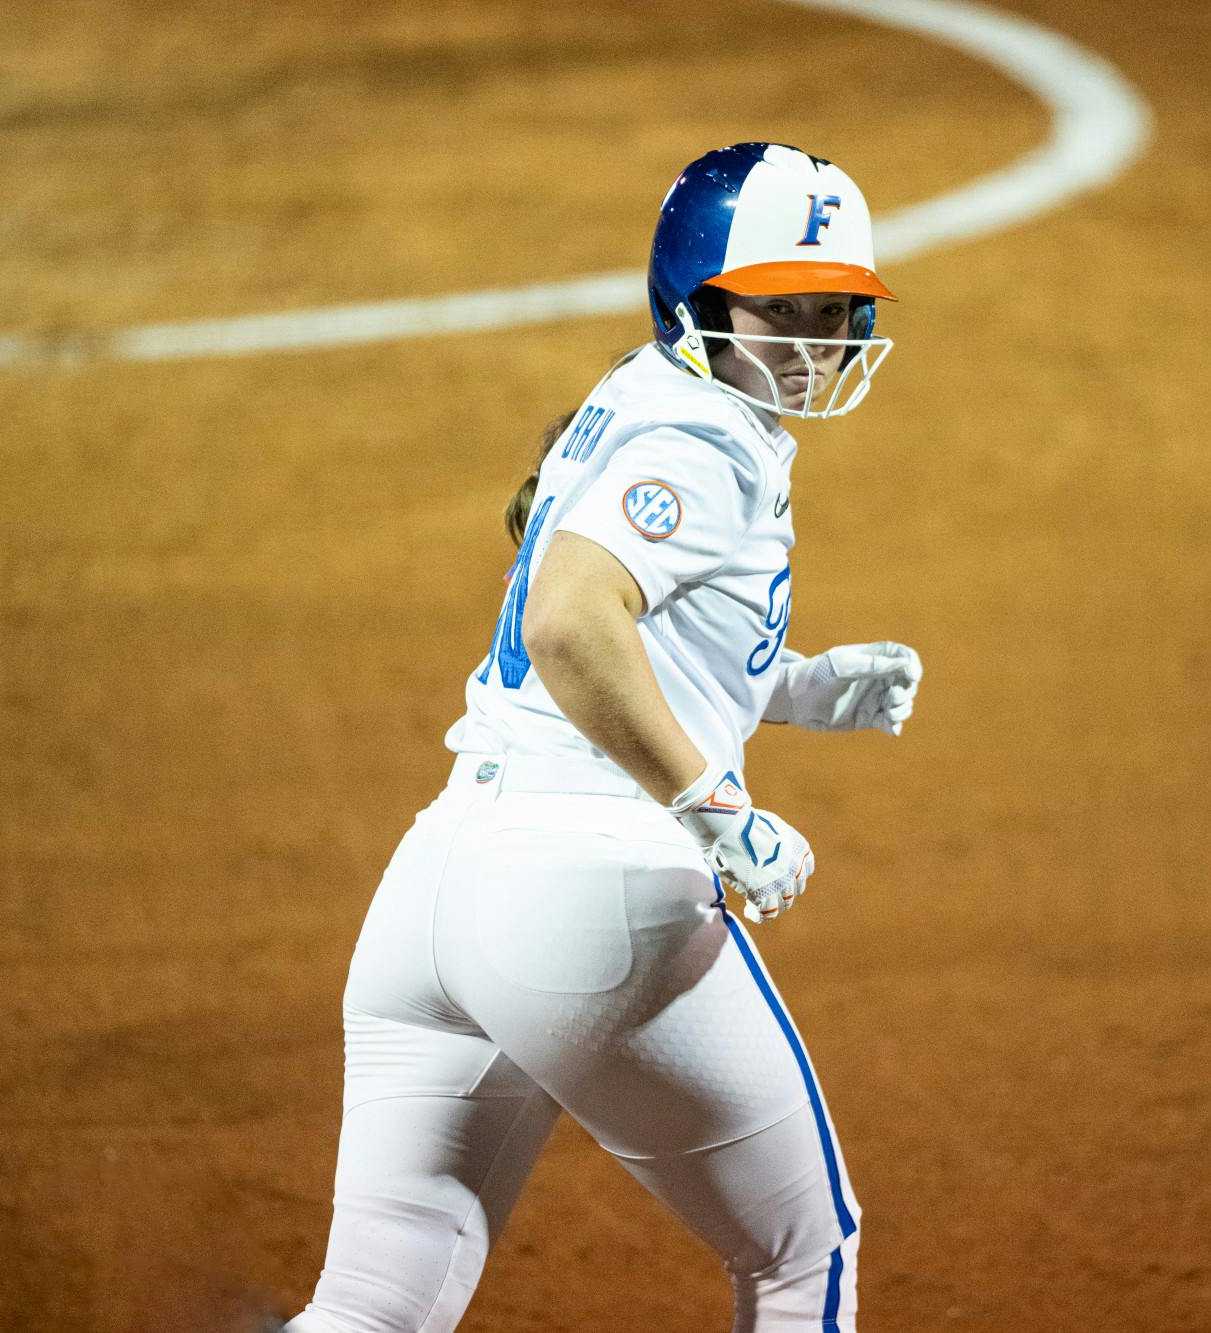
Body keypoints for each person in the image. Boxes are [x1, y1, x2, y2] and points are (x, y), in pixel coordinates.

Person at [283, 142, 923, 1333]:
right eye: (781, 308)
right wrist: (715, 807)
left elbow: (626, 634)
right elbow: (572, 619)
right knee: (801, 1253)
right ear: (698, 300)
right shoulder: (707, 443)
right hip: (585, 891)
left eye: (835, 307)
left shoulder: (637, 397)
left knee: (368, 1308)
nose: (816, 338)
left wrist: (796, 690)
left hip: (437, 888)